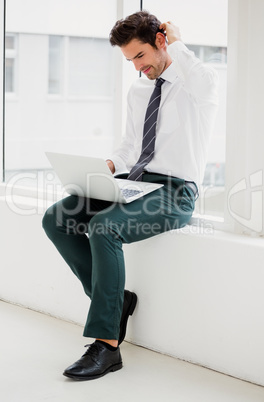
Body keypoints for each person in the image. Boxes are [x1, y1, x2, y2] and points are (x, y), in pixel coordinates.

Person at [42, 11, 218, 381]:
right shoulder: (139, 90)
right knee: (57, 218)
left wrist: (178, 41)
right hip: (134, 182)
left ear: (160, 41)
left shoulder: (194, 84)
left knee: (105, 227)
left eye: (140, 56)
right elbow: (129, 148)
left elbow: (205, 81)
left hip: (176, 191)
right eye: (129, 61)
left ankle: (107, 346)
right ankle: (116, 302)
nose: (138, 68)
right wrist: (109, 165)